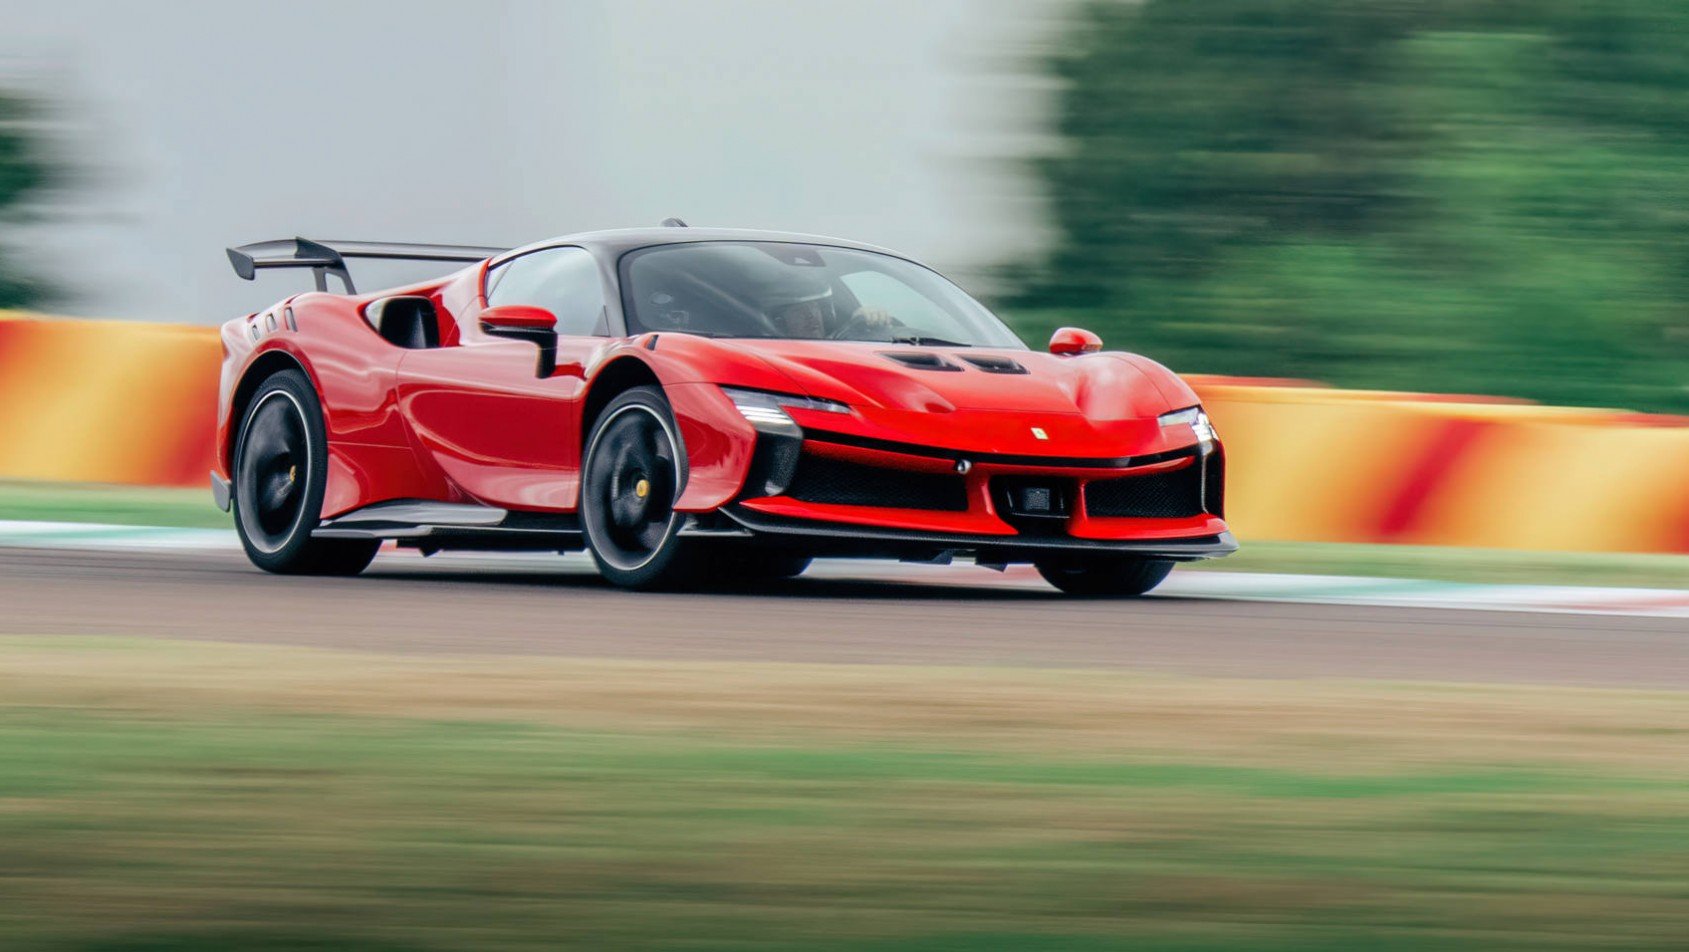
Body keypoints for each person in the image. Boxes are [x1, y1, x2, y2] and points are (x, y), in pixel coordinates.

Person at [765, 279, 893, 339]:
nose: (811, 315)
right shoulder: (779, 356)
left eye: (814, 307)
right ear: (781, 322)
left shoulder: (845, 337)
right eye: (799, 310)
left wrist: (872, 317)